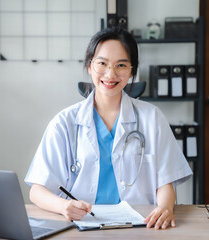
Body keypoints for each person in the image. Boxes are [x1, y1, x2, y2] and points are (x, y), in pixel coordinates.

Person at [25, 27, 192, 230]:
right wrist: (64, 206)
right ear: (89, 66)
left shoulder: (152, 118)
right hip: (81, 227)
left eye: (121, 65)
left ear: (132, 70)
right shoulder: (64, 122)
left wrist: (165, 207)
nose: (110, 74)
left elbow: (165, 181)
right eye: (102, 63)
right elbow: (37, 190)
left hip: (141, 227)